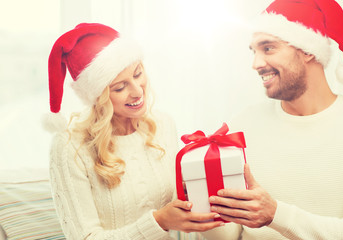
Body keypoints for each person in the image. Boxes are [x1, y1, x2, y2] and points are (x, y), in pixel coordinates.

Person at [201, 0, 343, 239]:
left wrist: (275, 214)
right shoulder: (244, 124)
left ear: (308, 50)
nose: (256, 64)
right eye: (254, 51)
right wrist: (204, 208)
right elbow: (230, 234)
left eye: (268, 48)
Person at [44, 23, 223, 239]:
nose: (138, 91)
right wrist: (159, 222)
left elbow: (179, 216)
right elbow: (84, 237)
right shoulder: (69, 148)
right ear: (97, 97)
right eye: (120, 87)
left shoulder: (163, 124)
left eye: (138, 74)